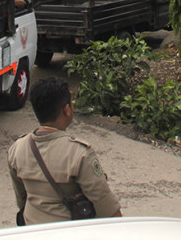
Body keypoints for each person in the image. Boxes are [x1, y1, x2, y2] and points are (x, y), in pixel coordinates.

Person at [8, 77, 121, 225]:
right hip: (68, 231)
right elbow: (104, 203)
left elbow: (21, 198)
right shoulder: (79, 153)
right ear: (67, 110)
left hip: (32, 230)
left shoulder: (17, 148)